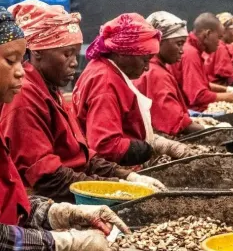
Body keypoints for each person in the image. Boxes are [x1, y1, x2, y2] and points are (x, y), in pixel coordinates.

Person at [0, 1, 164, 203]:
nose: (74, 62)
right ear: (37, 52)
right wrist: (113, 188)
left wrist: (125, 176)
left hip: (70, 190)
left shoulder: (50, 90)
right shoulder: (24, 97)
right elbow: (47, 178)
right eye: (66, 54)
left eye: (75, 53)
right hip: (52, 202)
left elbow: (81, 155)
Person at [0, 8, 123, 251]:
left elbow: (11, 203)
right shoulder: (23, 100)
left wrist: (59, 214)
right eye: (10, 61)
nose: (21, 71)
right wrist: (62, 242)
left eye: (20, 61)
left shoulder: (49, 91)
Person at [73, 13, 195, 166]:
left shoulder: (106, 70)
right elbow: (106, 146)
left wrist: (154, 141)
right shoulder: (105, 83)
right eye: (144, 60)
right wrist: (148, 148)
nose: (146, 67)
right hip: (113, 171)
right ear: (123, 54)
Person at [135, 11, 205, 138]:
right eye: (178, 44)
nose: (182, 51)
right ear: (159, 41)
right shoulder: (156, 74)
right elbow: (175, 123)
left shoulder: (150, 68)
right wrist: (209, 129)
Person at [172, 12, 233, 111]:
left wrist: (227, 89)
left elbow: (202, 85)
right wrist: (232, 96)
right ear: (207, 34)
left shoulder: (194, 51)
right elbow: (198, 96)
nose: (219, 43)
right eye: (219, 37)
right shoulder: (190, 54)